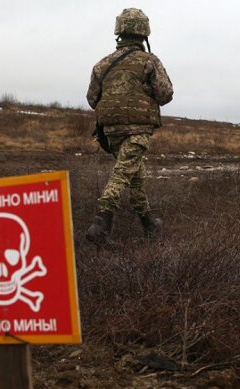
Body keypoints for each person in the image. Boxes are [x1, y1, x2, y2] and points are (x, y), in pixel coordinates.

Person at [85, 8, 174, 246]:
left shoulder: (102, 64)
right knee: (123, 173)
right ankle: (101, 224)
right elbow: (165, 94)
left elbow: (92, 99)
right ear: (144, 32)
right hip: (138, 129)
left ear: (119, 31)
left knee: (134, 176)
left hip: (111, 131)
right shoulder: (149, 61)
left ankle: (148, 223)